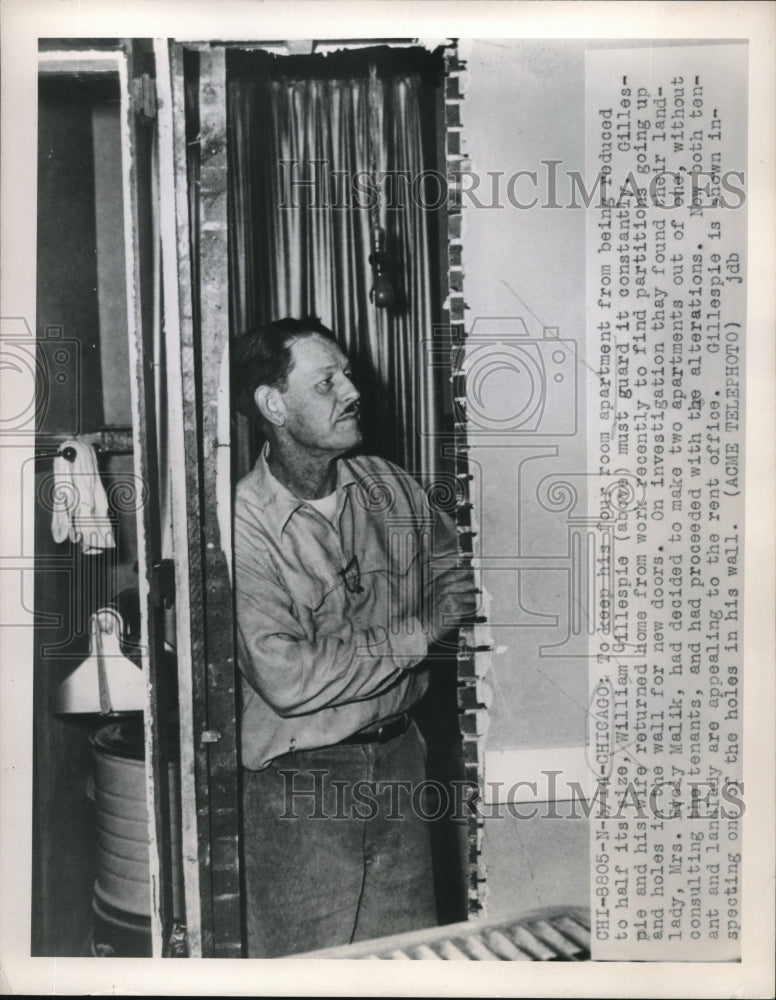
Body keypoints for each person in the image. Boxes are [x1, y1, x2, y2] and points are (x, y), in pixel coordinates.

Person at [232, 316, 478, 957]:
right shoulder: (240, 523)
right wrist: (417, 635)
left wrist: (429, 619)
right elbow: (286, 676)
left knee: (409, 969)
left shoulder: (386, 485)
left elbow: (458, 575)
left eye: (347, 374)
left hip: (401, 763)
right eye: (327, 381)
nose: (351, 390)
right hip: (299, 789)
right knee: (304, 976)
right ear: (273, 405)